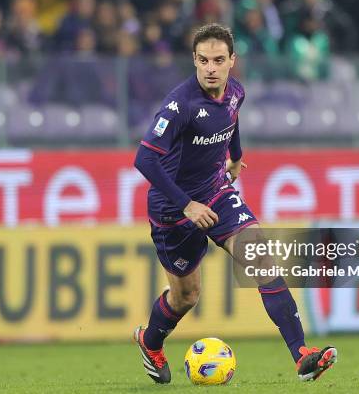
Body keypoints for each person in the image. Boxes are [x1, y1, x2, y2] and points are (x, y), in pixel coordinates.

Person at [132, 23, 337, 384]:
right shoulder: (179, 106)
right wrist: (186, 206)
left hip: (217, 192)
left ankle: (302, 354)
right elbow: (144, 160)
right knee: (186, 296)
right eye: (203, 60)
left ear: (231, 61)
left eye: (218, 60)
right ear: (194, 61)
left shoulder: (236, 92)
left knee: (261, 259)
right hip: (172, 211)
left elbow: (232, 121)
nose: (210, 67)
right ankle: (150, 342)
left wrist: (237, 157)